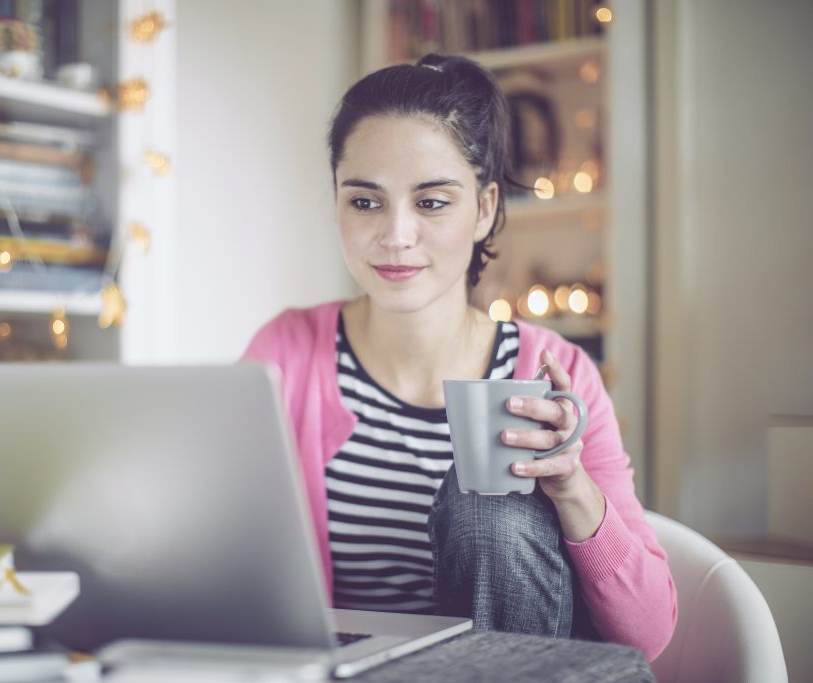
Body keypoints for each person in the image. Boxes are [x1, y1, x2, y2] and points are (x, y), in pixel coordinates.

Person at [241, 53, 677, 661]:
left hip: (525, 672)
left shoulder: (555, 370)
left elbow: (650, 634)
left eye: (432, 201)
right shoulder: (285, 356)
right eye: (365, 201)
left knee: (490, 502)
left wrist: (572, 488)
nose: (395, 235)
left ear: (487, 208)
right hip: (348, 673)